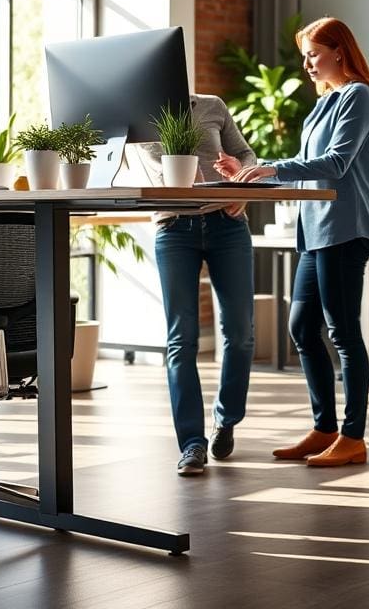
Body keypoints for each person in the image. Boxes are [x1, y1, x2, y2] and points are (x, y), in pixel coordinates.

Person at [215, 17, 369, 467]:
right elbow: (303, 168)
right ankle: (325, 427)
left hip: (345, 229)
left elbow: (333, 164)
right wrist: (249, 175)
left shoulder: (358, 96)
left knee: (344, 334)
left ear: (339, 51)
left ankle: (353, 437)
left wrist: (269, 168)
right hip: (316, 231)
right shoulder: (323, 104)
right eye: (305, 56)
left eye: (313, 53)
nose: (307, 64)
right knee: (301, 328)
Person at [149, 94, 257, 475]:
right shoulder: (139, 113)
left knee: (241, 333)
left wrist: (240, 184)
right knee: (182, 339)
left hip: (227, 225)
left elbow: (246, 155)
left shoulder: (210, 106)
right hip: (174, 228)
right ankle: (192, 443)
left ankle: (226, 420)